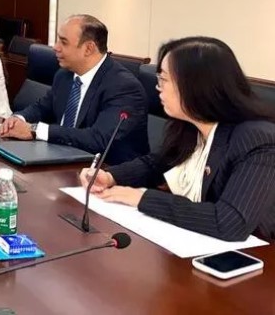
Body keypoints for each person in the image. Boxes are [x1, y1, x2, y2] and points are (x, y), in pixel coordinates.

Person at [81, 37, 275, 241]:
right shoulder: (190, 126)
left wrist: (140, 198)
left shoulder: (257, 139)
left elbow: (230, 222)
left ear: (195, 86)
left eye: (164, 79)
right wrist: (110, 176)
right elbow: (156, 164)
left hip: (257, 253)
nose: (158, 87)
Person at [0, 15, 148, 165]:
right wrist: (18, 119)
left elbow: (98, 139)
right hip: (60, 158)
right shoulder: (65, 75)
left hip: (106, 170)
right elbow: (43, 107)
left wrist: (35, 130)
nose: (55, 47)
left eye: (63, 42)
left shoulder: (123, 86)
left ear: (88, 48)